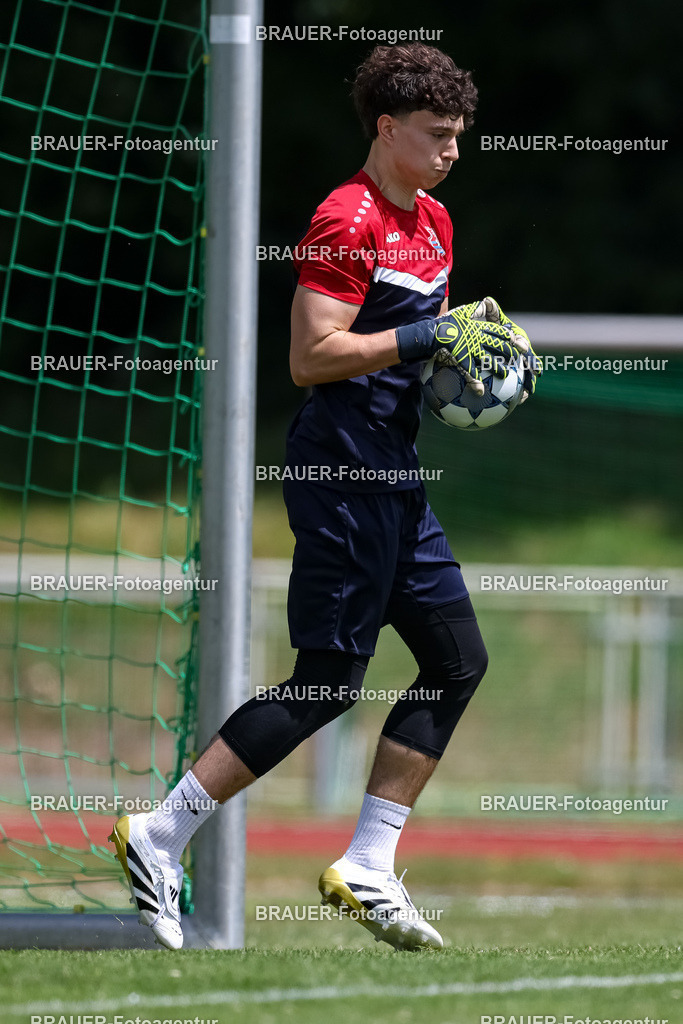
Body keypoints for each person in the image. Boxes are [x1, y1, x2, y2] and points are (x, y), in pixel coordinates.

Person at [110, 41, 540, 952]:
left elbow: (412, 353)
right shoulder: (345, 218)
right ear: (386, 128)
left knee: (457, 659)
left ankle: (369, 866)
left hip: (395, 474)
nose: (450, 151)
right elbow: (313, 357)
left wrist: (465, 367)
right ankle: (160, 831)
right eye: (434, 135)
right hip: (338, 472)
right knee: (325, 681)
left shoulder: (435, 221)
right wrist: (428, 335)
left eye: (458, 136)